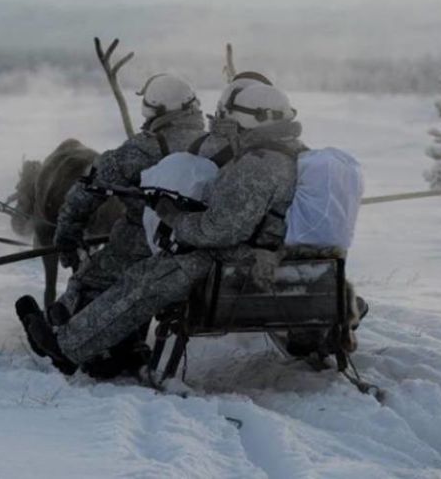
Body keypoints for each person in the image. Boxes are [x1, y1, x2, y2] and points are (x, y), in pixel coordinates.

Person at [18, 83, 305, 372]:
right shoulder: (287, 153)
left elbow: (219, 230)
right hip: (257, 252)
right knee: (146, 273)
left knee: (144, 282)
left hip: (230, 260)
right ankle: (103, 343)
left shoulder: (257, 165)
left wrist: (174, 219)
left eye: (229, 118)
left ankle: (67, 347)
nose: (223, 124)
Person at [40, 73, 206, 372]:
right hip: (204, 247)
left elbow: (88, 190)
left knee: (89, 277)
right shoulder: (216, 143)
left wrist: (67, 233)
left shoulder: (142, 149)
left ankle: (80, 344)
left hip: (150, 246)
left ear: (153, 110)